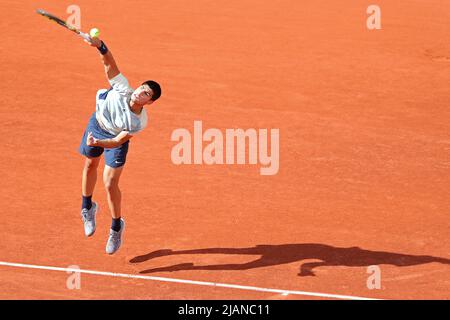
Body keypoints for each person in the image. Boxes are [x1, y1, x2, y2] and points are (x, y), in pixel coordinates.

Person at [78, 35, 161, 254]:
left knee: (109, 184)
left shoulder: (138, 122)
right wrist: (100, 46)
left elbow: (117, 141)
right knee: (89, 165)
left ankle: (116, 227)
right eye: (142, 87)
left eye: (146, 93)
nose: (140, 91)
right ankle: (87, 207)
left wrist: (99, 142)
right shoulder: (122, 88)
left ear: (149, 102)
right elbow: (109, 64)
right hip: (97, 124)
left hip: (113, 138)